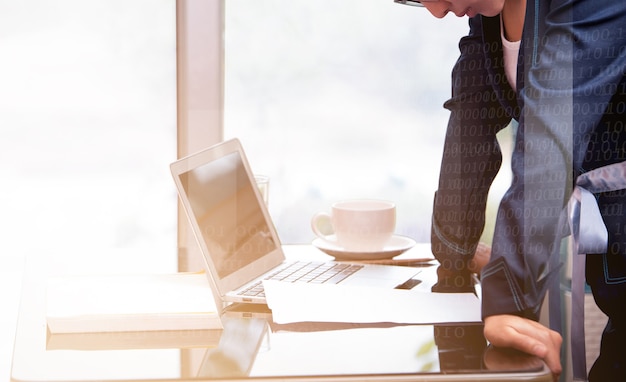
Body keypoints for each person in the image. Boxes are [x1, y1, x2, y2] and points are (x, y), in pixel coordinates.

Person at [395, 0, 626, 380]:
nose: (435, 12)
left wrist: (508, 299)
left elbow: (552, 129)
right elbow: (472, 112)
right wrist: (456, 248)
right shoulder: (487, 20)